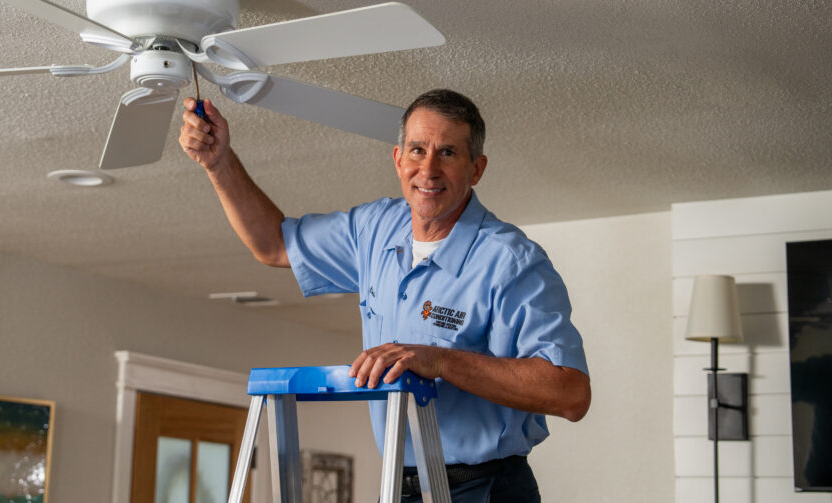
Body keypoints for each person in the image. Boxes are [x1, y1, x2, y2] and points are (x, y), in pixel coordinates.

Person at [179, 89, 591, 503]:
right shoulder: (375, 230)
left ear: (477, 168)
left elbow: (570, 393)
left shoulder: (511, 262)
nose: (428, 169)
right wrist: (219, 163)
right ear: (398, 159)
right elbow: (274, 245)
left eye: (447, 152)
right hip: (402, 484)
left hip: (484, 488)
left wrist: (441, 360)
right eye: (417, 150)